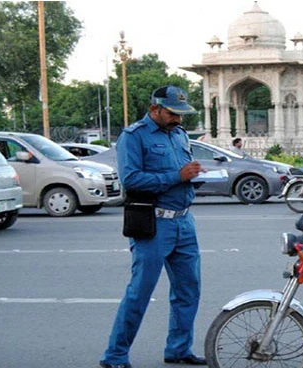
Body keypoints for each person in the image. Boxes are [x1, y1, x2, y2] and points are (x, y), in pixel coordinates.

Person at [100, 86, 206, 368]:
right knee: (140, 292)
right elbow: (131, 179)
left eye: (182, 115)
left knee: (188, 290)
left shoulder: (180, 135)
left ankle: (178, 350)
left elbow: (182, 172)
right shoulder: (133, 136)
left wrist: (193, 174)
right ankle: (115, 356)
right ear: (154, 110)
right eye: (172, 114)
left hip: (184, 221)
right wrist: (177, 175)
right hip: (154, 224)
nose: (178, 120)